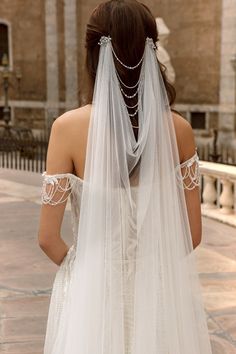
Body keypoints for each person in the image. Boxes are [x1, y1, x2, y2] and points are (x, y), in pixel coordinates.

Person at [38, 1, 213, 353]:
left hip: (94, 295)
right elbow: (191, 234)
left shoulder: (67, 129)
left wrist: (87, 269)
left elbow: (47, 238)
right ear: (152, 51)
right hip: (159, 293)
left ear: (93, 54)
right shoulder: (178, 130)